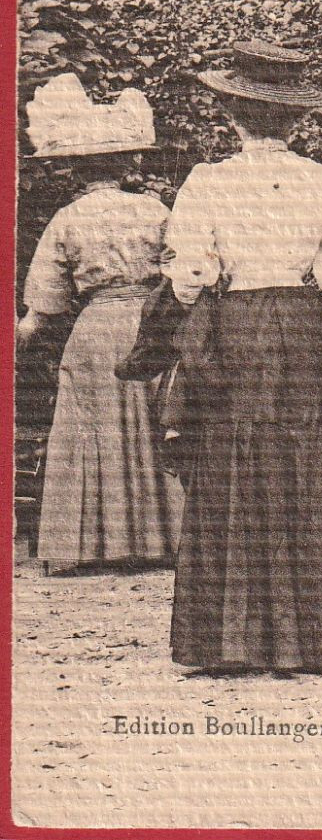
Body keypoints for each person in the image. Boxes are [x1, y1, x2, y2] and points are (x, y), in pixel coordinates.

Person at [163, 40, 322, 674]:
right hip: (307, 331)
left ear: (232, 116)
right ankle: (321, 634)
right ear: (296, 119)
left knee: (234, 465)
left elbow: (189, 281)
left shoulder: (207, 183)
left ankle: (232, 640)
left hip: (236, 328)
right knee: (314, 466)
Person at [17, 74, 184, 574]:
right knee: (155, 424)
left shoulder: (68, 219)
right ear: (129, 161)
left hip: (94, 331)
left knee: (92, 431)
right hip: (152, 325)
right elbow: (184, 276)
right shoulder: (155, 209)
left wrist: (21, 337)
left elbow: (42, 306)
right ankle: (165, 540)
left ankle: (92, 546)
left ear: (77, 168)